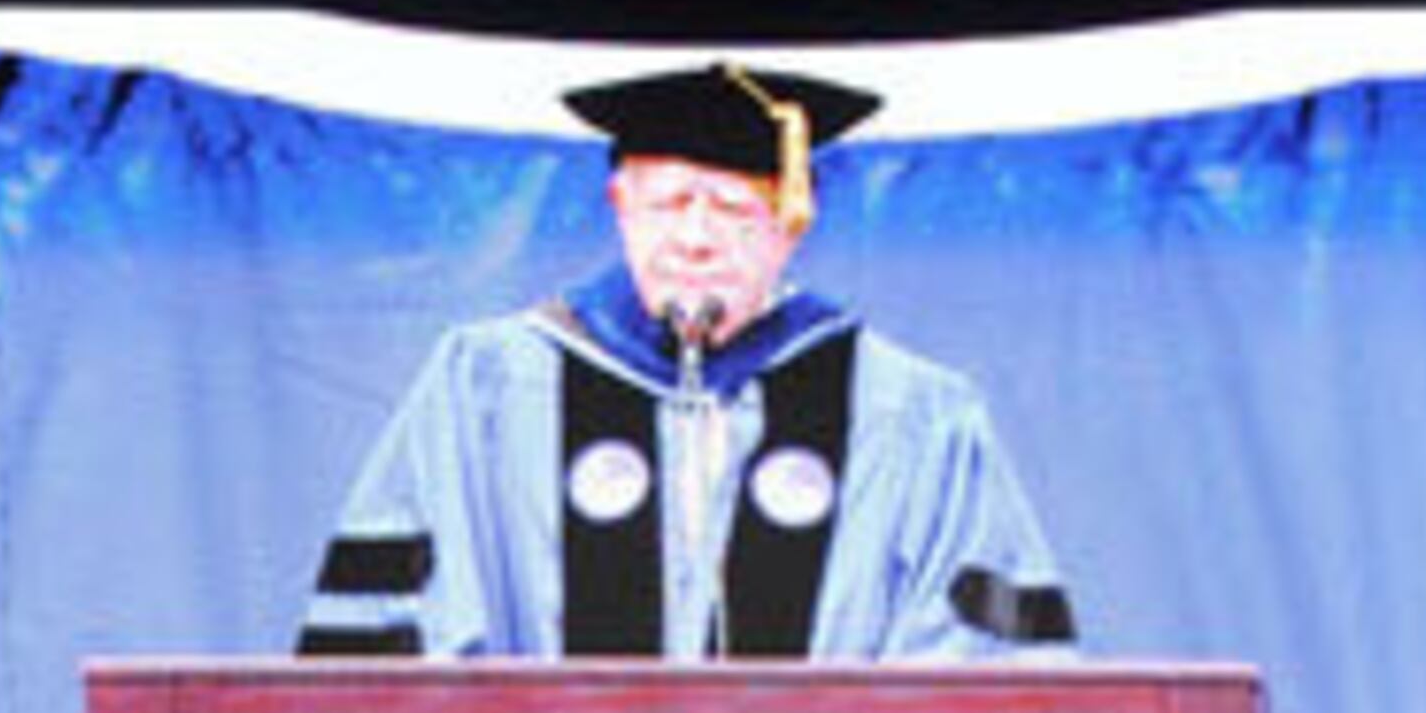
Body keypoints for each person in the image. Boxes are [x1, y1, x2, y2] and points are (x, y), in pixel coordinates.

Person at [301, 63, 1076, 664]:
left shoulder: (913, 414)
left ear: (790, 224)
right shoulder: (485, 388)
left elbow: (985, 671)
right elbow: (390, 656)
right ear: (620, 206)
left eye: (736, 209)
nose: (697, 238)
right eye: (670, 203)